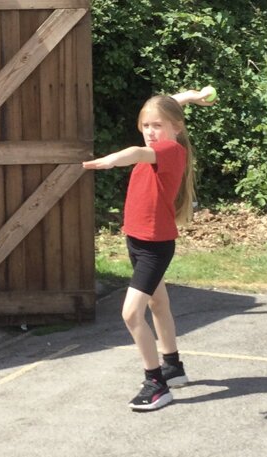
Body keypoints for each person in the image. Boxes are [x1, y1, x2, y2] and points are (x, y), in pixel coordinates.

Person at [83, 87, 215, 411]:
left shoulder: (170, 151)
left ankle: (156, 384)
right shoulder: (162, 139)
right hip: (137, 240)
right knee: (158, 303)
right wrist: (190, 96)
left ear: (176, 128)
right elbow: (166, 108)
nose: (151, 132)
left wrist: (112, 160)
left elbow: (136, 152)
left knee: (131, 313)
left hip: (155, 247)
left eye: (157, 126)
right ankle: (173, 366)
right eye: (146, 126)